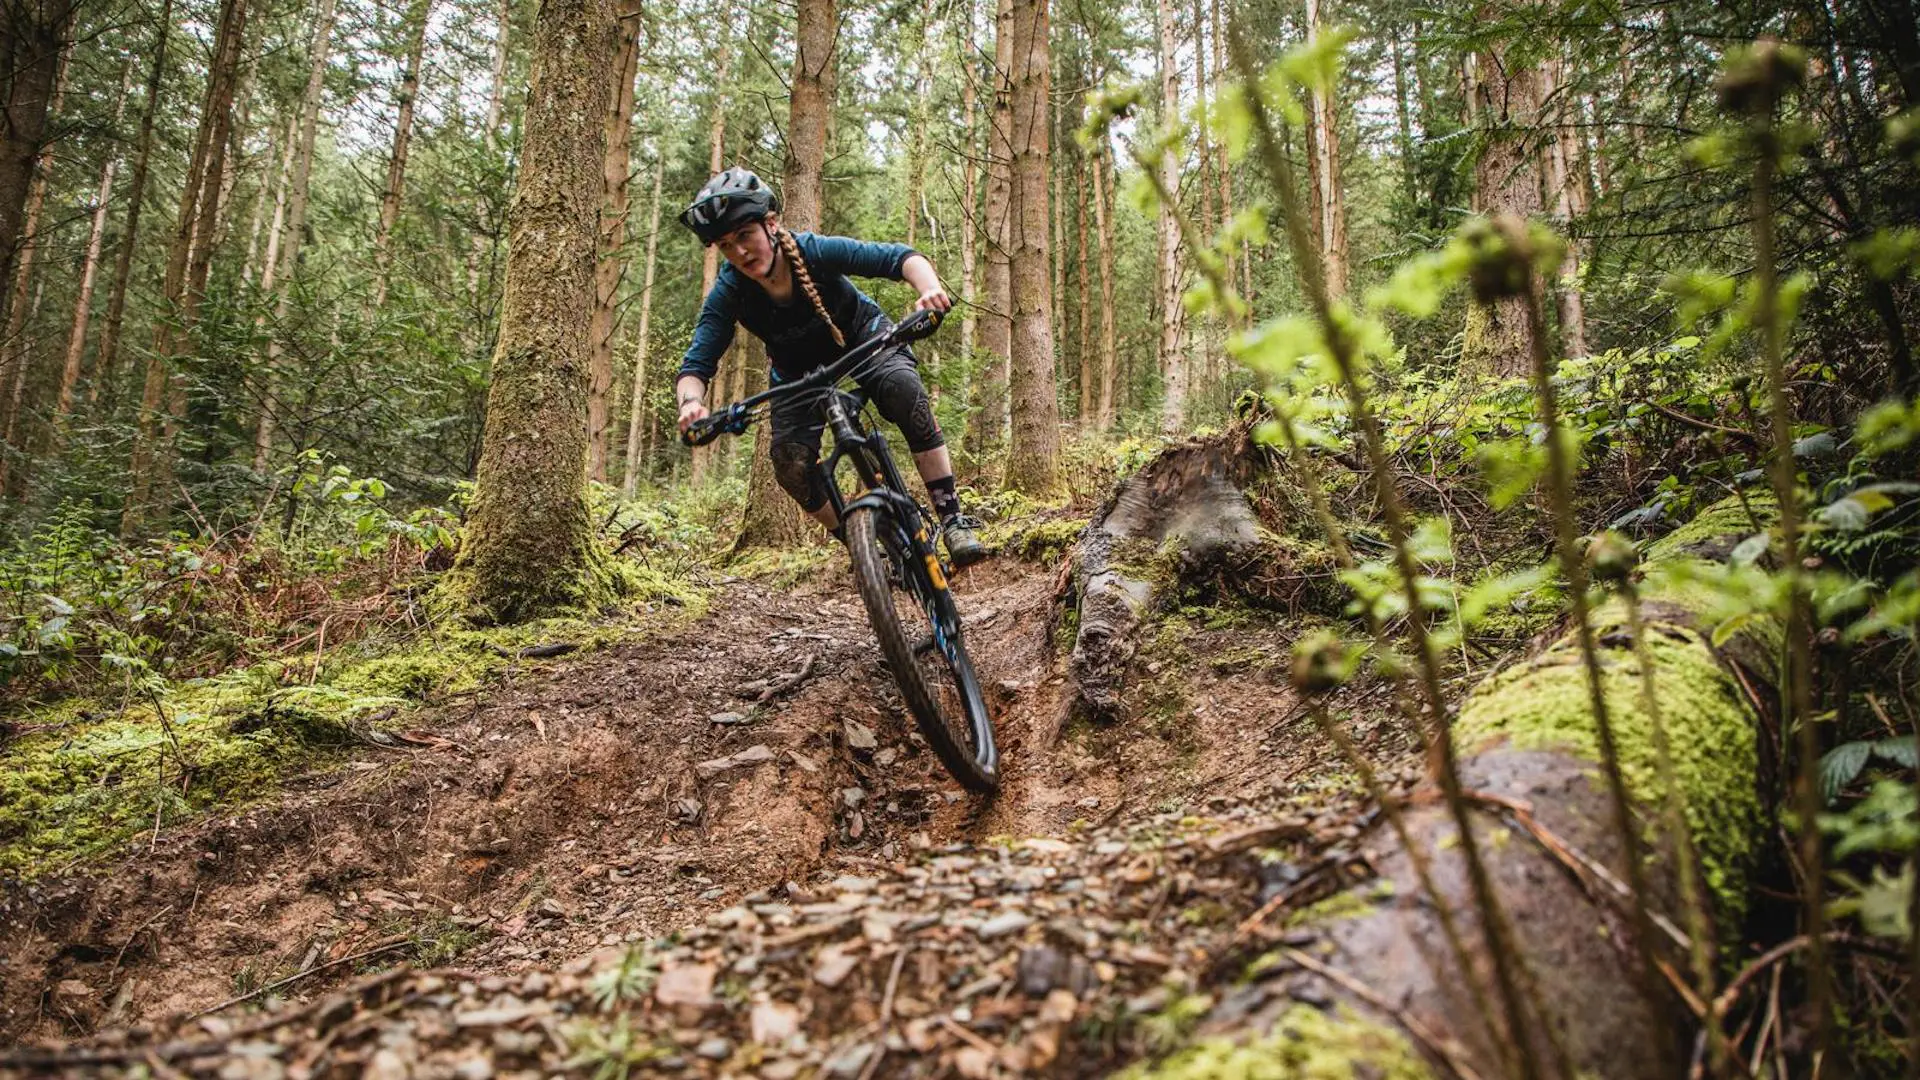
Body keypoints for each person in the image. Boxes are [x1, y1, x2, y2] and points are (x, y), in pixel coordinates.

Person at [673, 167, 988, 566]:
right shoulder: (730, 290)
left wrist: (929, 289)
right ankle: (863, 551)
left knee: (903, 391)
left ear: (771, 224)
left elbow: (900, 258)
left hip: (862, 338)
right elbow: (697, 363)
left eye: (744, 237)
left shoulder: (812, 251)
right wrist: (690, 405)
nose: (739, 253)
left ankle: (953, 518)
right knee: (790, 464)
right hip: (797, 375)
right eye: (725, 245)